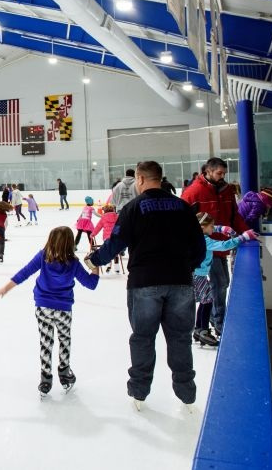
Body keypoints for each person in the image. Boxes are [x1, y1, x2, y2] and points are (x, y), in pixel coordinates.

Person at [87, 161, 206, 410]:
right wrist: (187, 267)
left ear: (140, 179)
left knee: (142, 338)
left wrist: (94, 260)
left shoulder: (133, 208)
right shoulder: (183, 207)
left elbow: (115, 242)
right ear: (160, 178)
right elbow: (199, 246)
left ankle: (139, 394)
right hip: (180, 281)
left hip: (144, 283)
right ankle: (187, 395)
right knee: (180, 339)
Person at [0, 226, 99, 394]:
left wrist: (5, 289)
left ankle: (46, 380)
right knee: (64, 340)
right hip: (64, 309)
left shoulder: (43, 256)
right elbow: (91, 284)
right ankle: (65, 375)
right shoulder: (73, 263)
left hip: (43, 307)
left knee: (46, 341)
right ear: (70, 243)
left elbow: (25, 272)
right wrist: (95, 267)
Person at [181, 157, 248, 338]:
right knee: (219, 284)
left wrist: (244, 232)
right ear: (208, 171)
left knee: (223, 283)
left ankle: (213, 319)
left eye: (224, 173)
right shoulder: (193, 192)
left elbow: (234, 216)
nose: (222, 176)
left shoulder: (227, 191)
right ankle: (219, 322)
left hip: (221, 246)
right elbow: (182, 221)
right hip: (205, 249)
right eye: (219, 173)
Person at [193, 213, 258, 347]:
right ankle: (203, 330)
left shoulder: (196, 234)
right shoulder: (203, 240)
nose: (213, 228)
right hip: (197, 275)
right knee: (208, 301)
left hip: (197, 274)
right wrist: (243, 237)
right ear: (203, 227)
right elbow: (223, 245)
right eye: (212, 226)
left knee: (205, 301)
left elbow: (208, 228)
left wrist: (222, 229)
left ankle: (199, 329)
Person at [92, 204, 121, 273]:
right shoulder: (117, 216)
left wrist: (93, 234)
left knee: (108, 251)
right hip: (116, 237)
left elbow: (98, 227)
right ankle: (117, 267)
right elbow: (121, 225)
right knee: (116, 251)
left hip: (107, 238)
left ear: (104, 211)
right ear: (113, 210)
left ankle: (108, 265)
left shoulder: (103, 217)